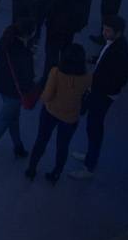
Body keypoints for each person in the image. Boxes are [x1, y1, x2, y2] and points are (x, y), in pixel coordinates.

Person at [67, 15, 128, 179]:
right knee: (93, 125)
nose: (104, 32)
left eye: (108, 30)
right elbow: (104, 59)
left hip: (102, 95)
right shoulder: (114, 44)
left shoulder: (119, 52)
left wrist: (94, 87)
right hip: (101, 92)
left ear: (118, 33)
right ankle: (90, 155)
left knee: (95, 127)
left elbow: (119, 79)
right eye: (104, 29)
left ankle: (89, 166)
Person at [26, 43, 91, 182]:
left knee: (41, 140)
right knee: (62, 147)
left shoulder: (56, 72)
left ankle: (32, 169)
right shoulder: (87, 77)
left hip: (50, 112)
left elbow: (47, 96)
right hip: (70, 118)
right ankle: (56, 173)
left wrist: (41, 96)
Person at [0, 22, 35, 159]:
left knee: (13, 117)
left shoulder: (6, 42)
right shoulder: (25, 54)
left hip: (1, 84)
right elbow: (28, 78)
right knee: (6, 119)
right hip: (14, 92)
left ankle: (18, 145)